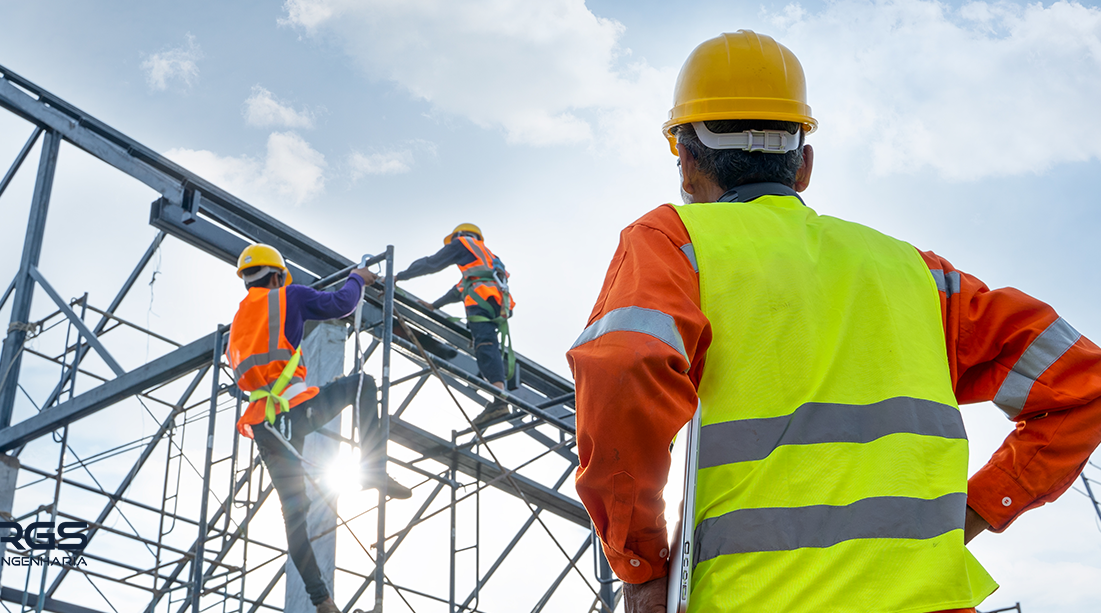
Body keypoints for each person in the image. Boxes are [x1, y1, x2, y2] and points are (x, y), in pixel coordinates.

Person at [567, 30, 1101, 613]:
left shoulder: (673, 243)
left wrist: (640, 564)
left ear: (687, 161)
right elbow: (1084, 385)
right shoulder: (917, 274)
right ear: (805, 165)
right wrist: (979, 508)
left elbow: (624, 365)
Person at [227, 243, 412, 613]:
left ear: (247, 280)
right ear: (277, 276)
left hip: (266, 425)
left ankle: (322, 601)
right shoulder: (288, 296)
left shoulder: (240, 319)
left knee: (294, 515)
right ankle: (373, 469)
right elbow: (341, 305)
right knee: (363, 384)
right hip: (294, 407)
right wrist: (357, 279)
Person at [397, 223, 517, 426]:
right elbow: (459, 289)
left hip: (482, 301)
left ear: (460, 235)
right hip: (495, 302)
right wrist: (434, 305)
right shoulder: (488, 259)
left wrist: (398, 276)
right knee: (487, 343)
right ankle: (499, 397)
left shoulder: (462, 243)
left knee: (485, 344)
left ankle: (499, 398)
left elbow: (432, 263)